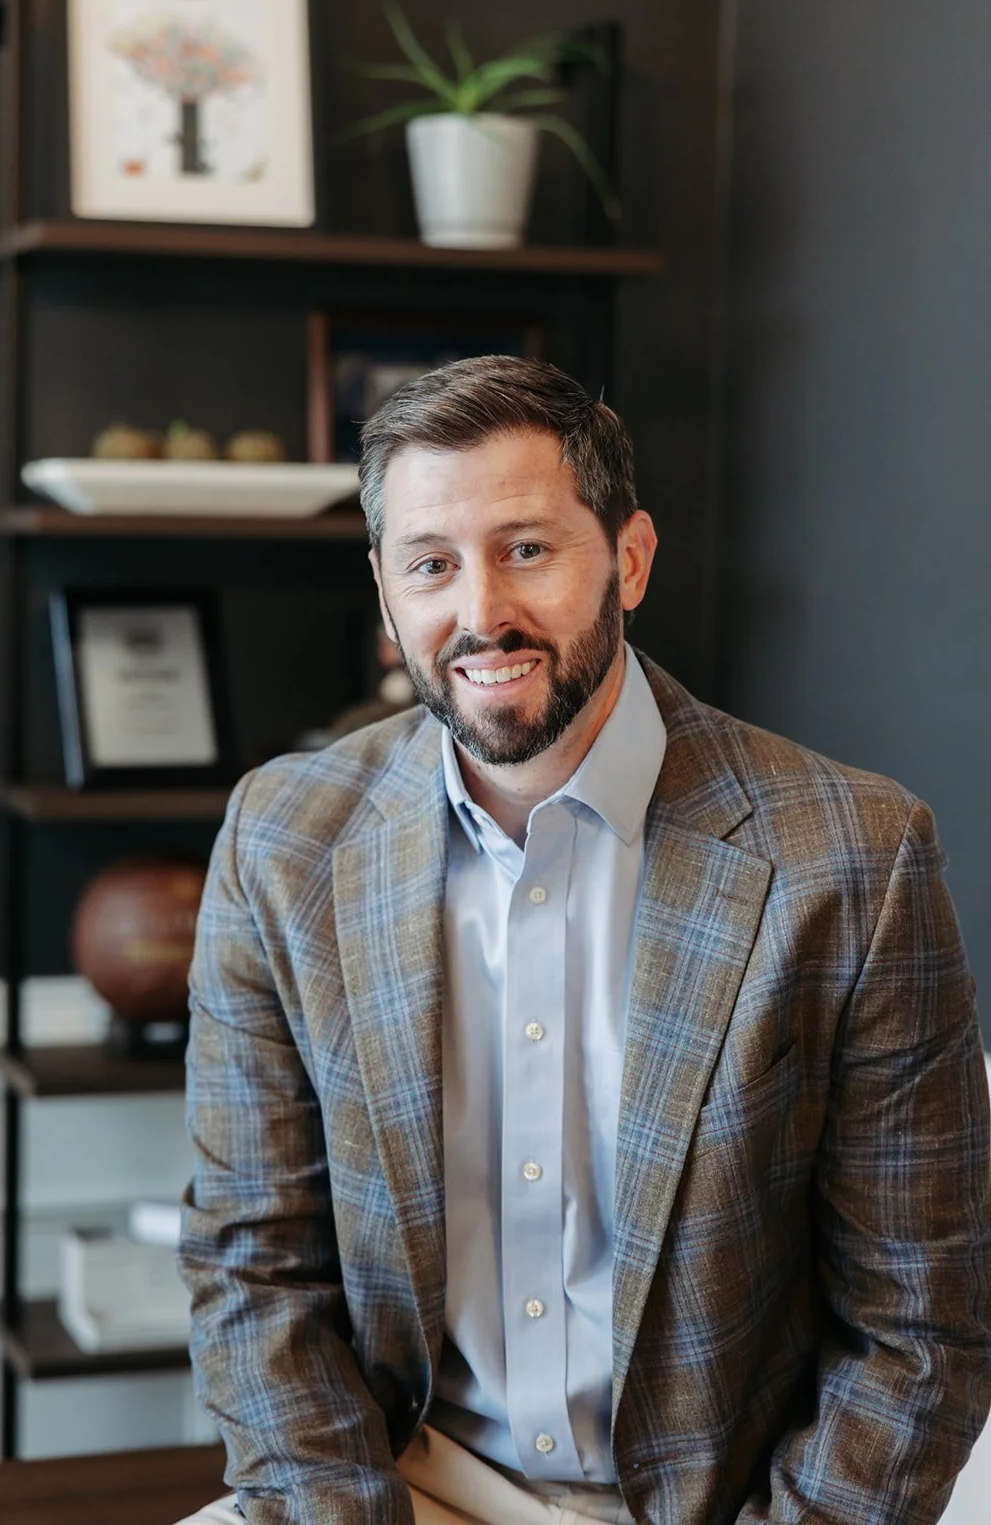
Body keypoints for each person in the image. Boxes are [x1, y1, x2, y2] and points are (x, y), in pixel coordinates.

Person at [177, 356, 991, 1525]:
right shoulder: (282, 842)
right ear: (383, 589)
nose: (478, 612)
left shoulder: (853, 858)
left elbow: (921, 1328)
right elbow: (253, 1268)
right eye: (430, 565)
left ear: (630, 556)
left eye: (525, 548)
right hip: (402, 1487)